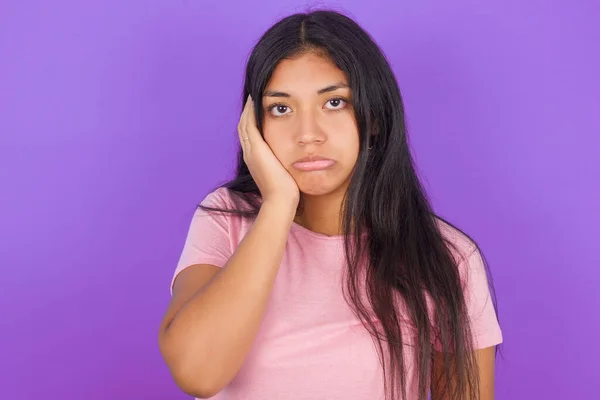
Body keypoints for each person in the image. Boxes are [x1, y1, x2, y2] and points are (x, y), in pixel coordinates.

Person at [158, 9, 502, 400]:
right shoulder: (227, 219)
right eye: (281, 109)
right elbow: (197, 373)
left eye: (335, 102)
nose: (308, 135)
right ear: (254, 125)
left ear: (373, 116)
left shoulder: (446, 257)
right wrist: (277, 206)